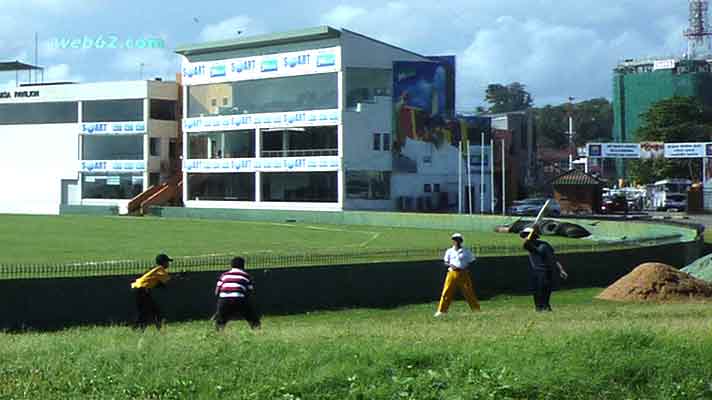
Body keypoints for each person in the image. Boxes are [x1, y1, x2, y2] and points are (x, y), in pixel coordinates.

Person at [521, 227, 569, 312]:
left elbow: (553, 259)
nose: (525, 237)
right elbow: (525, 244)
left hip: (546, 271)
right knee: (536, 290)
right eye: (524, 236)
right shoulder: (530, 246)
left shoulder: (544, 245)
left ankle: (546, 307)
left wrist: (561, 270)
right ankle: (538, 308)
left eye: (526, 235)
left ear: (533, 236)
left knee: (545, 290)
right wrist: (530, 234)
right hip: (535, 271)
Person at [435, 233, 481, 317]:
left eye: (458, 239)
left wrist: (466, 267)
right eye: (454, 239)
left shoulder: (466, 251)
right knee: (446, 291)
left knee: (468, 292)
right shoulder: (449, 251)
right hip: (452, 273)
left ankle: (476, 309)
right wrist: (450, 265)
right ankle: (441, 311)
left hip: (463, 273)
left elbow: (472, 260)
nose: (456, 241)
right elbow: (446, 262)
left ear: (461, 241)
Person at [214, 257, 261, 331]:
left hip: (224, 299)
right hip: (239, 298)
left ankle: (219, 332)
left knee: (221, 319)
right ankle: (257, 330)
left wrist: (220, 303)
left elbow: (217, 291)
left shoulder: (224, 275)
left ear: (231, 265)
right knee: (252, 317)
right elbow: (250, 291)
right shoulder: (246, 275)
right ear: (243, 266)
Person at [131, 253, 172, 330]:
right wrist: (181, 277)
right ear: (163, 262)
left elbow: (157, 283)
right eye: (167, 262)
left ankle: (139, 329)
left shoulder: (154, 269)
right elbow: (168, 282)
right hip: (141, 289)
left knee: (147, 311)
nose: (168, 264)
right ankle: (158, 329)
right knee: (151, 311)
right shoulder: (160, 269)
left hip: (138, 288)